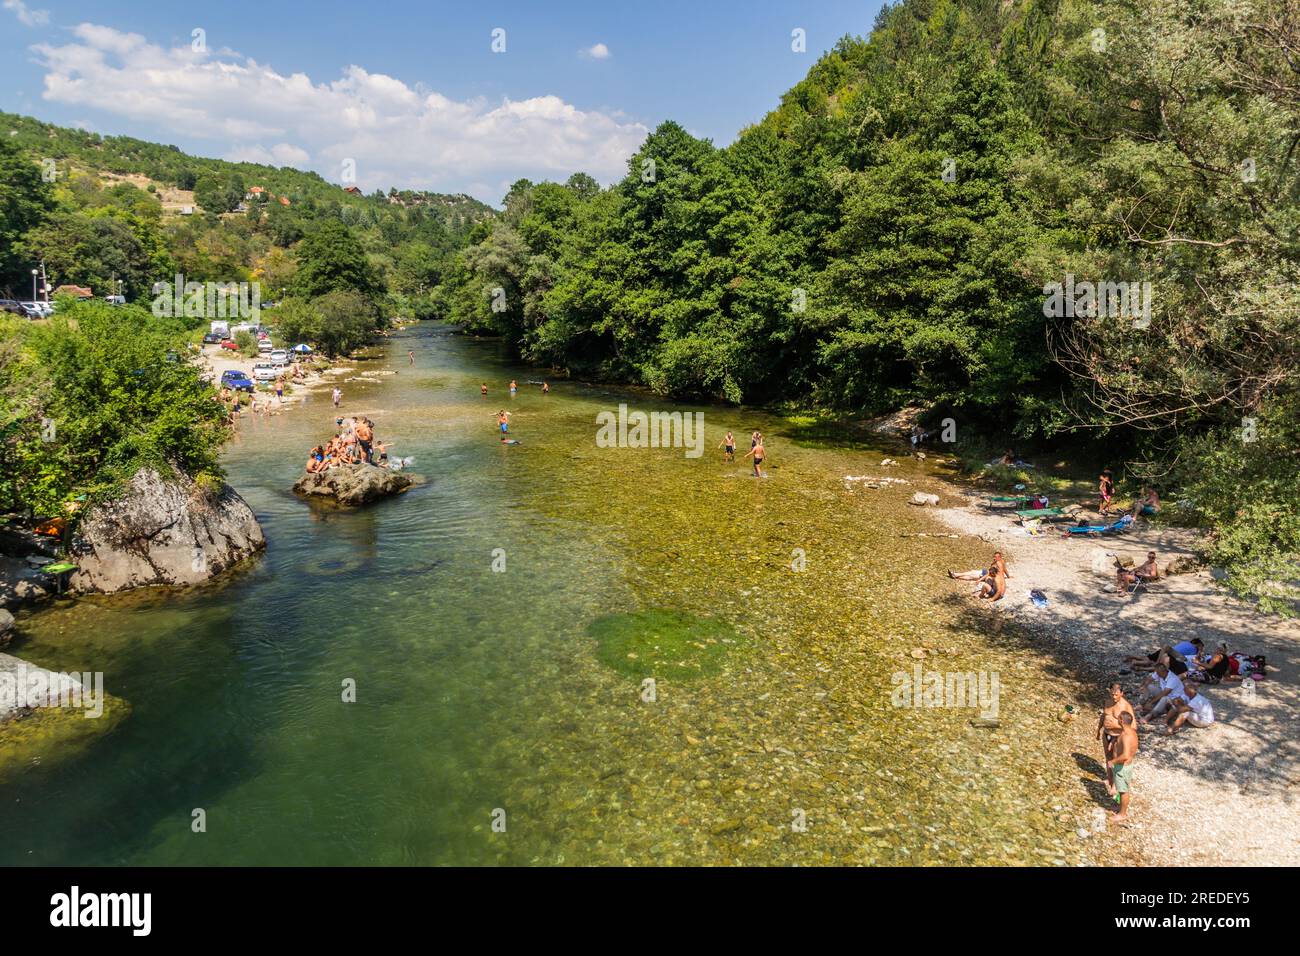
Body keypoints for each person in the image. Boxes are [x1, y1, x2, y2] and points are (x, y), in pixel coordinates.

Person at [1097, 683, 1136, 795]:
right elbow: (1103, 716)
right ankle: (1110, 779)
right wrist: (1098, 730)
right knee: (1107, 757)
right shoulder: (1107, 702)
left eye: (1116, 695)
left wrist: (1115, 726)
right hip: (1106, 734)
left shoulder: (1126, 706)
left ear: (1122, 694)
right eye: (1112, 694)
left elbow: (1133, 726)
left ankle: (1115, 785)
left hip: (1118, 736)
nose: (1114, 697)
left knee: (1116, 759)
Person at [1109, 711, 1138, 825]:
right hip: (1127, 766)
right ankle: (1121, 809)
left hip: (1123, 767)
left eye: (1118, 718)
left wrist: (1113, 761)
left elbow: (1125, 755)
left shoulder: (1126, 736)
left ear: (1121, 720)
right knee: (1123, 789)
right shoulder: (1131, 732)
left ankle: (1122, 814)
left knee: (1123, 791)